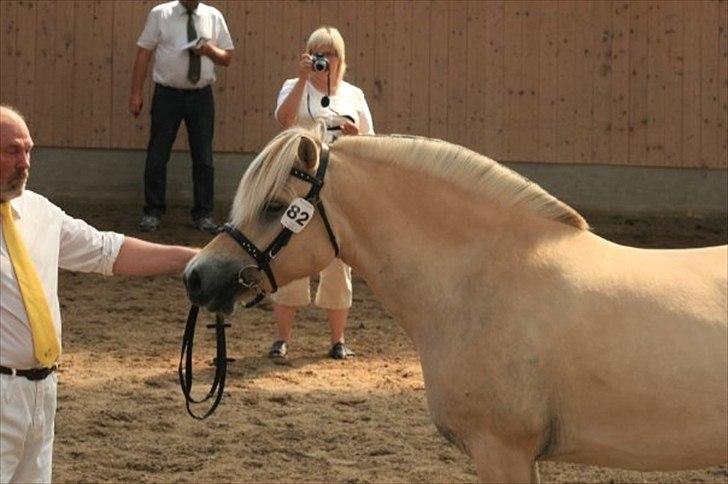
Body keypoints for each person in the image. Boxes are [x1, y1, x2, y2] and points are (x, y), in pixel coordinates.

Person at [0, 105, 199, 483]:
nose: (24, 162)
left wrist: (194, 258)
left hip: (42, 392)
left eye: (28, 150)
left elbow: (110, 251)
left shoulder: (39, 211)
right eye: (12, 150)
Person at [269, 26, 374, 361]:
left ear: (339, 58)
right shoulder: (292, 86)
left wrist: (355, 134)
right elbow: (284, 120)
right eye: (317, 52)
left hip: (338, 186)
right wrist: (302, 80)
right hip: (300, 182)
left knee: (339, 262)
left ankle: (337, 340)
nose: (322, 60)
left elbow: (371, 142)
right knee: (289, 251)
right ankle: (282, 338)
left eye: (329, 53)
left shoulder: (354, 94)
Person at [129, 0, 234, 233]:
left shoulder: (213, 16)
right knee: (157, 154)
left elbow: (226, 57)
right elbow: (143, 54)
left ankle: (204, 214)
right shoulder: (160, 14)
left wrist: (207, 50)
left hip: (201, 96)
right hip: (167, 95)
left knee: (204, 157)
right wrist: (136, 93)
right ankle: (153, 211)